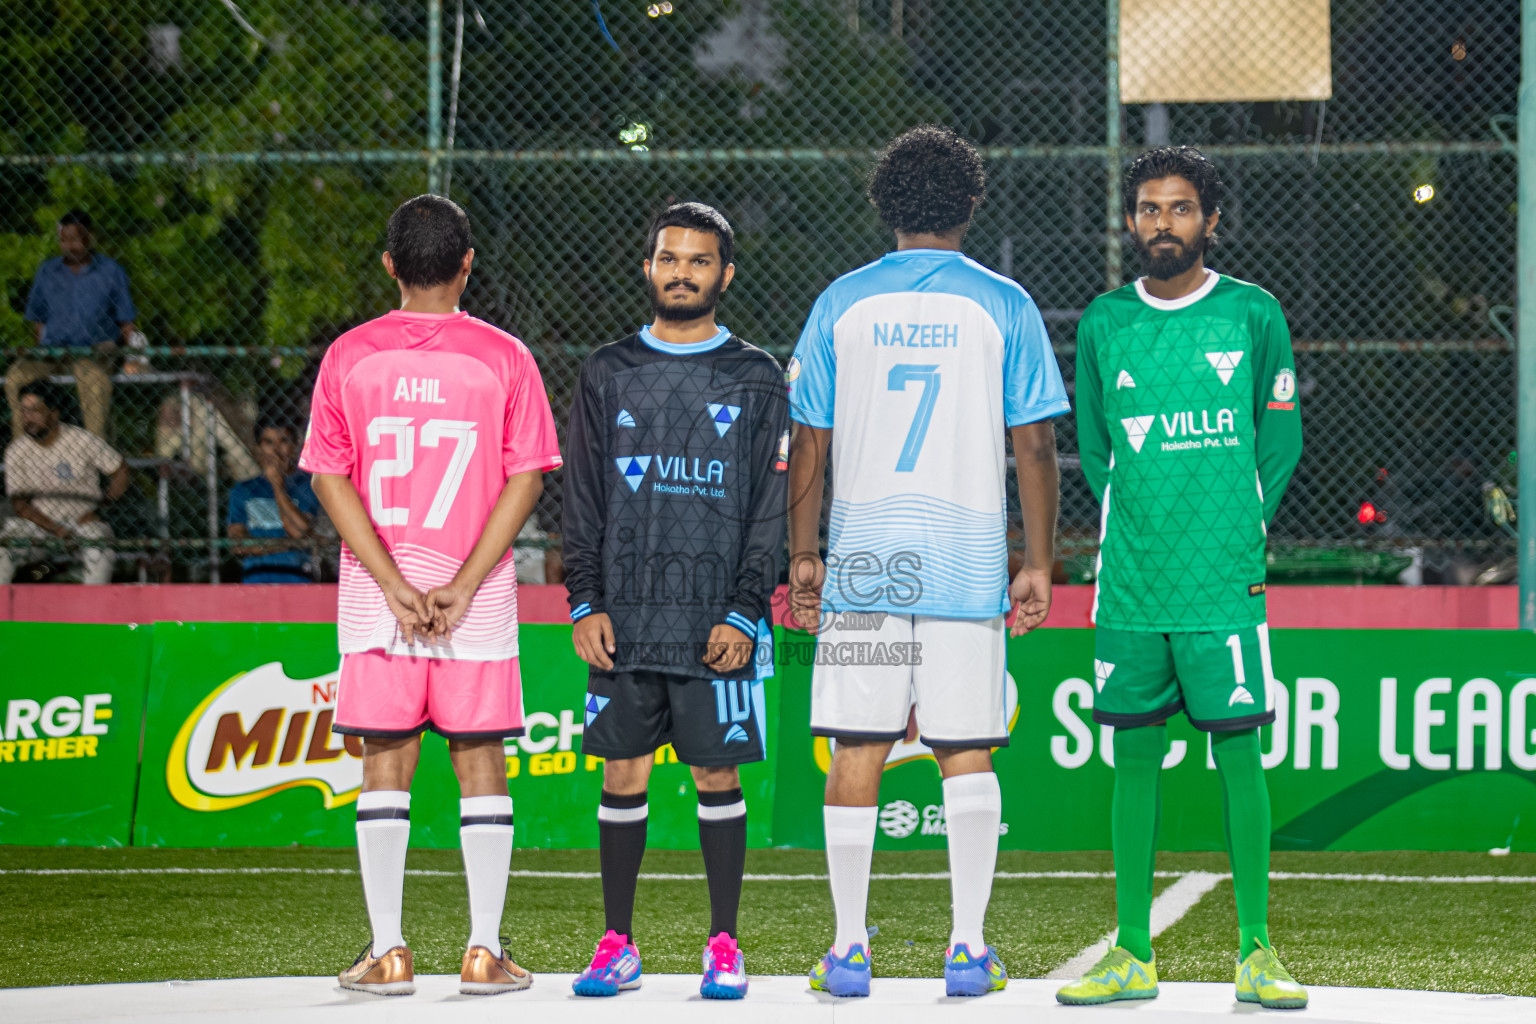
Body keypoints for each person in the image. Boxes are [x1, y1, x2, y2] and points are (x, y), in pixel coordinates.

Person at [785, 125, 1068, 998]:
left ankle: (846, 951)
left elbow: (808, 442)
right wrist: (1038, 562)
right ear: (971, 205)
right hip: (967, 563)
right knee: (967, 752)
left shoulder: (841, 301)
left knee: (858, 748)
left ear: (883, 205)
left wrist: (804, 555)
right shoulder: (1005, 304)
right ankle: (968, 949)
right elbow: (1035, 447)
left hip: (867, 567)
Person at [1055, 146, 1307, 1009]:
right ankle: (1132, 953)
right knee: (1133, 753)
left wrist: (1244, 521)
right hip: (1129, 580)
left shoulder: (1252, 312)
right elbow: (1095, 447)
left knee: (1240, 751)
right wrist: (1143, 511)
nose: (1164, 223)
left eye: (1181, 207)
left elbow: (1280, 441)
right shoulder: (1104, 322)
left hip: (1222, 580)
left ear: (1211, 219)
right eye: (1150, 209)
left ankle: (1257, 950)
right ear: (1131, 221)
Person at [299, 195, 562, 997]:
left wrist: (391, 581)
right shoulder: (504, 356)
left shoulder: (350, 354)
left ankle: (391, 952)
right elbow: (527, 480)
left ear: (389, 265)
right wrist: (464, 581)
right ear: (467, 263)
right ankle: (483, 951)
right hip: (471, 602)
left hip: (381, 602)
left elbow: (327, 477)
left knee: (385, 761)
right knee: (481, 762)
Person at [563, 202, 787, 1000]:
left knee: (716, 781)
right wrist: (584, 600)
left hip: (714, 627)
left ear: (725, 274)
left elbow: (771, 507)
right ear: (648, 266)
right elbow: (583, 498)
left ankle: (723, 943)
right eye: (669, 259)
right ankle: (616, 943)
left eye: (699, 262)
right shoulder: (606, 371)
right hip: (623, 621)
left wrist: (744, 610)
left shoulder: (757, 377)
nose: (682, 273)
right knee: (621, 776)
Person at [8, 210, 139, 440]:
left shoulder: (111, 272)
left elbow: (126, 322)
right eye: (64, 240)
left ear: (90, 237)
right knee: (16, 377)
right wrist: (41, 351)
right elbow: (38, 322)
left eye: (75, 239)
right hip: (53, 352)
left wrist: (131, 358)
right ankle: (24, 451)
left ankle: (94, 456)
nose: (69, 246)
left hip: (95, 352)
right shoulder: (47, 271)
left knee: (94, 382)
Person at [0, 381, 129, 584]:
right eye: (23, 411)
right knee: (3, 549)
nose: (27, 418)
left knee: (98, 545)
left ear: (54, 413)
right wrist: (55, 529)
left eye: (35, 411)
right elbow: (20, 504)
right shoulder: (16, 451)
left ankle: (93, 612)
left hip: (82, 521)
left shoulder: (81, 439)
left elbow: (120, 469)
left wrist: (102, 509)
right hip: (39, 525)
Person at [227, 419, 320, 582]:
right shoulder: (243, 490)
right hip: (256, 580)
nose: (277, 451)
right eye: (268, 442)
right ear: (258, 449)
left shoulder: (307, 484)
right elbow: (237, 544)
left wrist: (277, 485)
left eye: (283, 441)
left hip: (298, 580)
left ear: (294, 447)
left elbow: (298, 532)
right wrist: (288, 544)